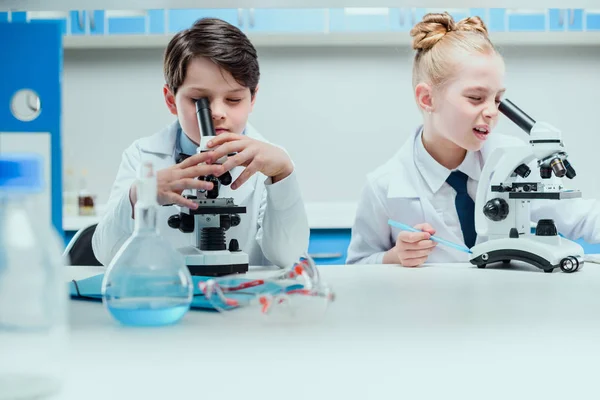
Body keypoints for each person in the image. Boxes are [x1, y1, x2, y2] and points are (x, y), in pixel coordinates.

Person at [346, 12, 600, 267]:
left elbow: (581, 217)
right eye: (476, 98)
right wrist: (393, 257)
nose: (491, 111)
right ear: (427, 99)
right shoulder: (383, 187)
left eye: (498, 99)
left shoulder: (511, 162)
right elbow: (356, 266)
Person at [92, 18, 309, 268]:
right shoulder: (142, 156)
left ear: (252, 98)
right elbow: (105, 252)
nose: (217, 112)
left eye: (234, 99)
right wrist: (140, 195)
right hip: (168, 297)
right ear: (171, 100)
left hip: (239, 301)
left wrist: (282, 175)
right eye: (199, 99)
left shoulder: (271, 162)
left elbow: (289, 256)